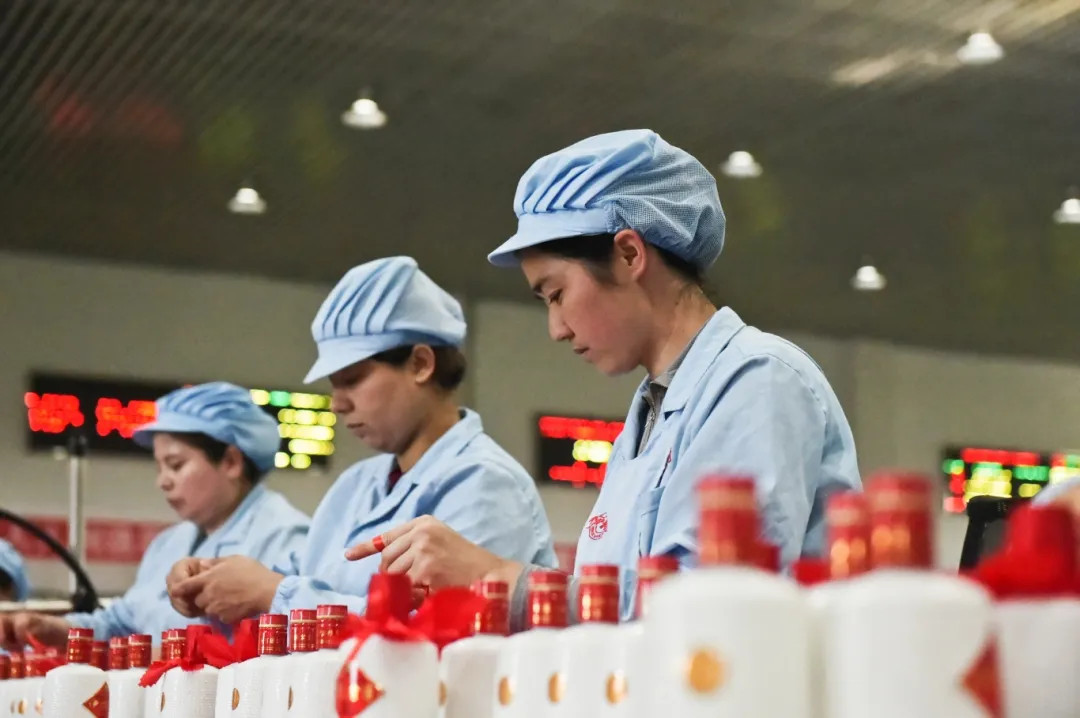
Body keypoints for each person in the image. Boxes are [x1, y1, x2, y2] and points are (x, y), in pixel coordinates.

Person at [345, 129, 862, 624]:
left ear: (630, 254)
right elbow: (626, 606)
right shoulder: (650, 416)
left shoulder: (759, 381)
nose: (556, 329)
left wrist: (498, 579)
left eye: (556, 294)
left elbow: (711, 612)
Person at [167, 256, 555, 623]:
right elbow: (299, 576)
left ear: (420, 364)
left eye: (352, 380)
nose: (338, 404)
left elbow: (442, 629)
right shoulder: (355, 486)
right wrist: (215, 579)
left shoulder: (485, 484)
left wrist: (274, 595)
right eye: (334, 385)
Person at [0, 382, 310, 648]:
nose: (162, 481)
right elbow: (123, 623)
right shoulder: (169, 544)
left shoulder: (286, 538)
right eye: (159, 467)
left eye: (176, 465)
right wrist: (56, 630)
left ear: (231, 462)